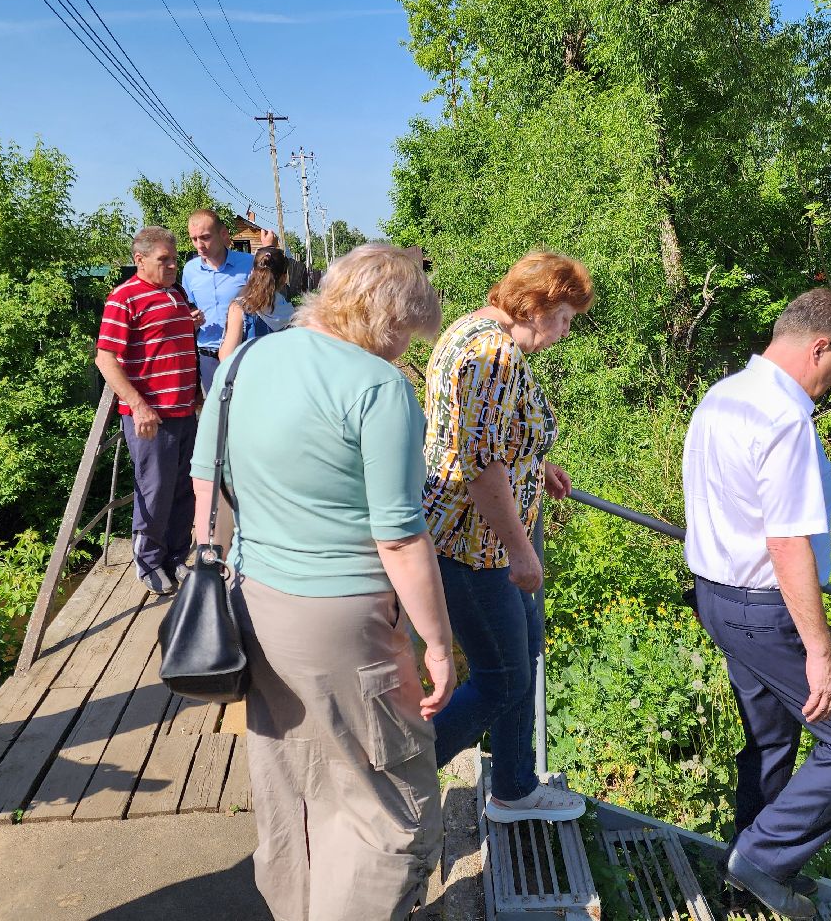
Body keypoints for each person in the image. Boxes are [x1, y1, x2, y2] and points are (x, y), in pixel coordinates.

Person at [191, 244, 455, 921]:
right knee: (390, 805)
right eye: (406, 332)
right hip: (343, 619)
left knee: (293, 783)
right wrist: (437, 645)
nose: (404, 350)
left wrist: (213, 571)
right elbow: (399, 537)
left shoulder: (244, 361)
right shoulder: (377, 386)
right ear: (383, 317)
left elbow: (206, 484)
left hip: (254, 599)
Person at [682, 289, 831, 919]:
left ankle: (744, 880)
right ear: (819, 347)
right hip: (767, 611)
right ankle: (762, 860)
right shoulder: (786, 419)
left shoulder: (723, 396)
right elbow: (787, 542)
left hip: (718, 599)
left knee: (771, 741)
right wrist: (820, 651)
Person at [424, 251, 594, 823]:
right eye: (564, 319)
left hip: (477, 537)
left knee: (524, 651)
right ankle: (400, 782)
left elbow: (484, 436)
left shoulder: (468, 330)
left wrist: (535, 463)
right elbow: (479, 463)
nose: (564, 332)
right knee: (502, 678)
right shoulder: (493, 354)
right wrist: (521, 551)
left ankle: (515, 788)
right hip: (474, 545)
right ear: (537, 305)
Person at [95, 227, 202, 596]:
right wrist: (138, 405)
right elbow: (105, 359)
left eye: (175, 258)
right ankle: (150, 563)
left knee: (184, 489)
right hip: (151, 417)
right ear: (139, 260)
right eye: (164, 260)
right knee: (154, 490)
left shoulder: (175, 293)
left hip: (184, 410)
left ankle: (176, 556)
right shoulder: (124, 298)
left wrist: (195, 393)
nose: (173, 265)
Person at [182, 209, 255, 393]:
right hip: (208, 355)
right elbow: (188, 307)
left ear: (223, 234)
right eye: (194, 239)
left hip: (243, 352)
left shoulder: (249, 264)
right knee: (215, 408)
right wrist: (192, 320)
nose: (199, 245)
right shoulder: (190, 271)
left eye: (205, 237)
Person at [217, 246, 289, 361]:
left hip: (249, 371)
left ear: (253, 273)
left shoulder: (239, 309)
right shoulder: (291, 312)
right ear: (284, 278)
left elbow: (226, 357)